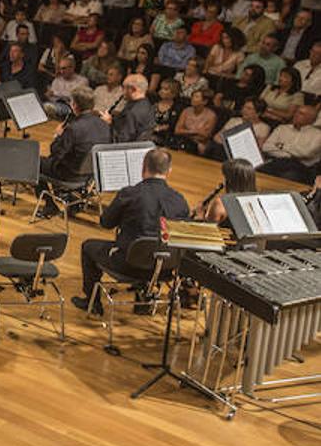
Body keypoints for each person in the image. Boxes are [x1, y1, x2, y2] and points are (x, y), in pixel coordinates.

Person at [75, 149, 189, 316]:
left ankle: (93, 303)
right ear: (169, 171)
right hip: (165, 268)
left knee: (88, 247)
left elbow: (105, 223)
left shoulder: (130, 194)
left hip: (128, 264)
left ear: (143, 167)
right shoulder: (180, 200)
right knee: (152, 247)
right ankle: (144, 299)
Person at [40, 87, 110, 182]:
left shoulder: (73, 128)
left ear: (74, 105)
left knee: (36, 161)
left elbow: (56, 153)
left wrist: (58, 135)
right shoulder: (105, 124)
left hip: (70, 175)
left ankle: (45, 195)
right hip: (91, 175)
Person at [259, 104, 321, 183]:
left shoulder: (318, 135)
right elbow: (266, 147)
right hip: (277, 161)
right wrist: (287, 155)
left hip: (302, 168)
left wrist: (281, 145)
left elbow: (306, 153)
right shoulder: (282, 128)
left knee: (289, 176)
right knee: (256, 170)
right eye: (296, 112)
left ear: (311, 119)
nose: (295, 115)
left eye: (301, 113)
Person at [195, 158, 257, 226]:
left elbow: (208, 230)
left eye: (225, 177)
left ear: (231, 181)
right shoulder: (256, 202)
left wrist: (200, 216)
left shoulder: (221, 203)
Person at [103, 73, 155, 143]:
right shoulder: (147, 104)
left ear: (132, 89)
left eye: (124, 88)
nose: (122, 91)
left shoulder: (133, 112)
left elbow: (122, 140)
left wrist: (109, 123)